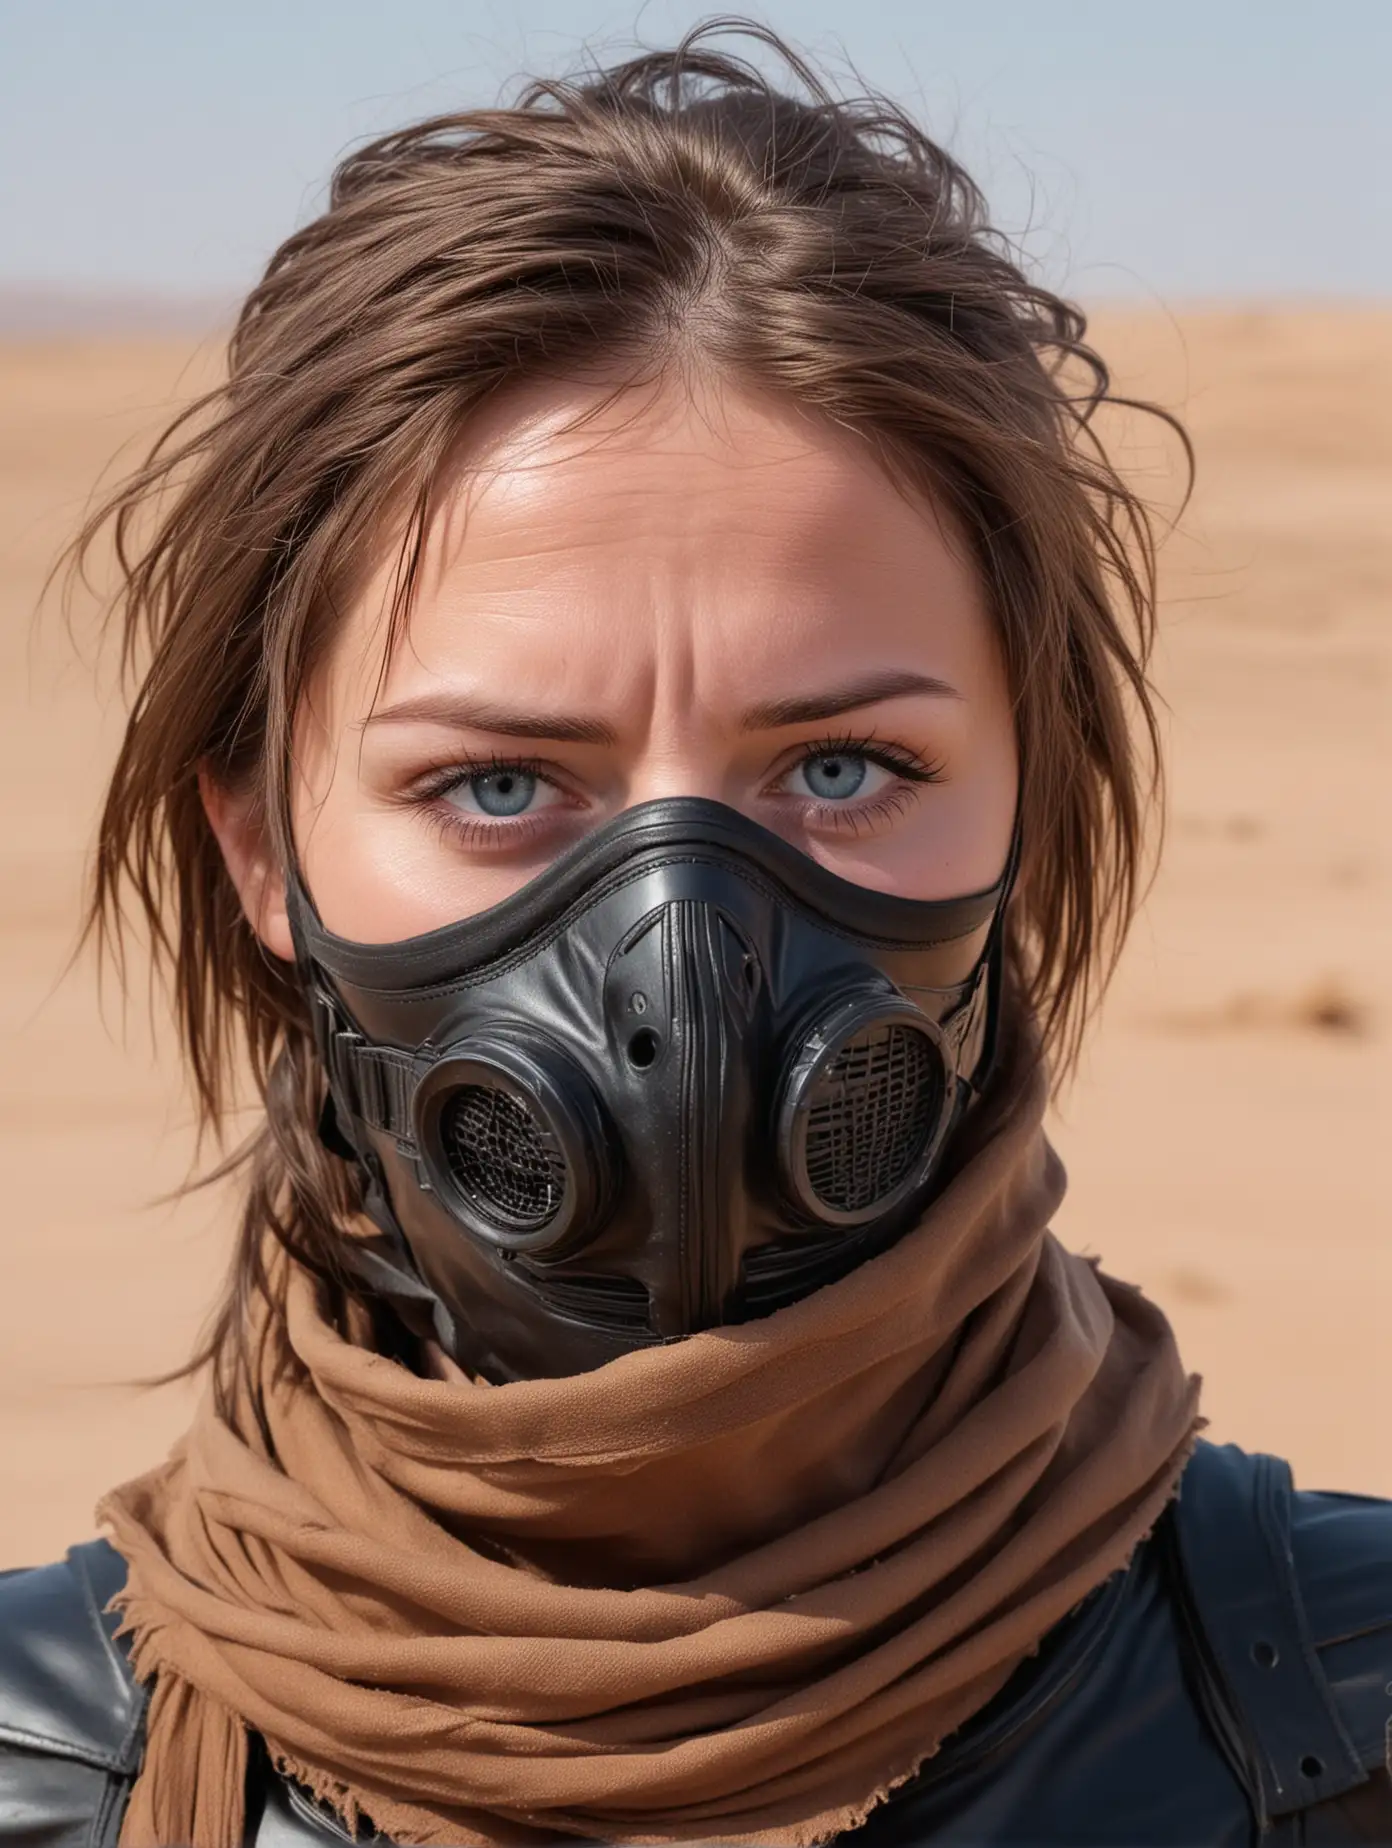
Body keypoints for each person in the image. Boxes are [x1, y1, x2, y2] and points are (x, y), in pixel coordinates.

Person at [1, 23, 1387, 1848]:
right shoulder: (47, 1765)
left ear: (1028, 806)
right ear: (265, 856)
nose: (684, 948)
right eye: (498, 785)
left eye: (842, 763)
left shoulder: (1340, 1704)